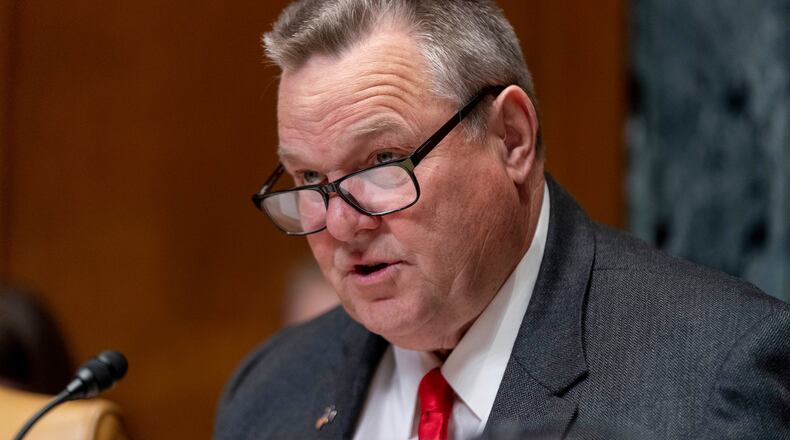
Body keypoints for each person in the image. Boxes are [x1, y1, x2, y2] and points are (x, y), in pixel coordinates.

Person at [214, 1, 790, 439]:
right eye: (311, 181)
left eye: (383, 162)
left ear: (510, 137)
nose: (341, 226)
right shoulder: (268, 390)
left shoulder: (716, 382)